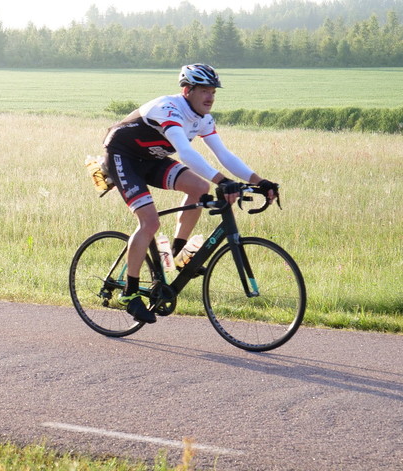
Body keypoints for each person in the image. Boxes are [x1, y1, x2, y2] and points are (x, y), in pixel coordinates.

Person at [102, 63, 277, 324]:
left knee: (199, 188)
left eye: (213, 92)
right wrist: (223, 181)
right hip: (122, 156)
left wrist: (260, 181)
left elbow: (224, 154)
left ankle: (177, 252)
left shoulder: (203, 119)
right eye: (204, 91)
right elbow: (185, 152)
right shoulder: (169, 109)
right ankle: (130, 293)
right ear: (187, 91)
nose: (210, 97)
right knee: (150, 222)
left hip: (151, 158)